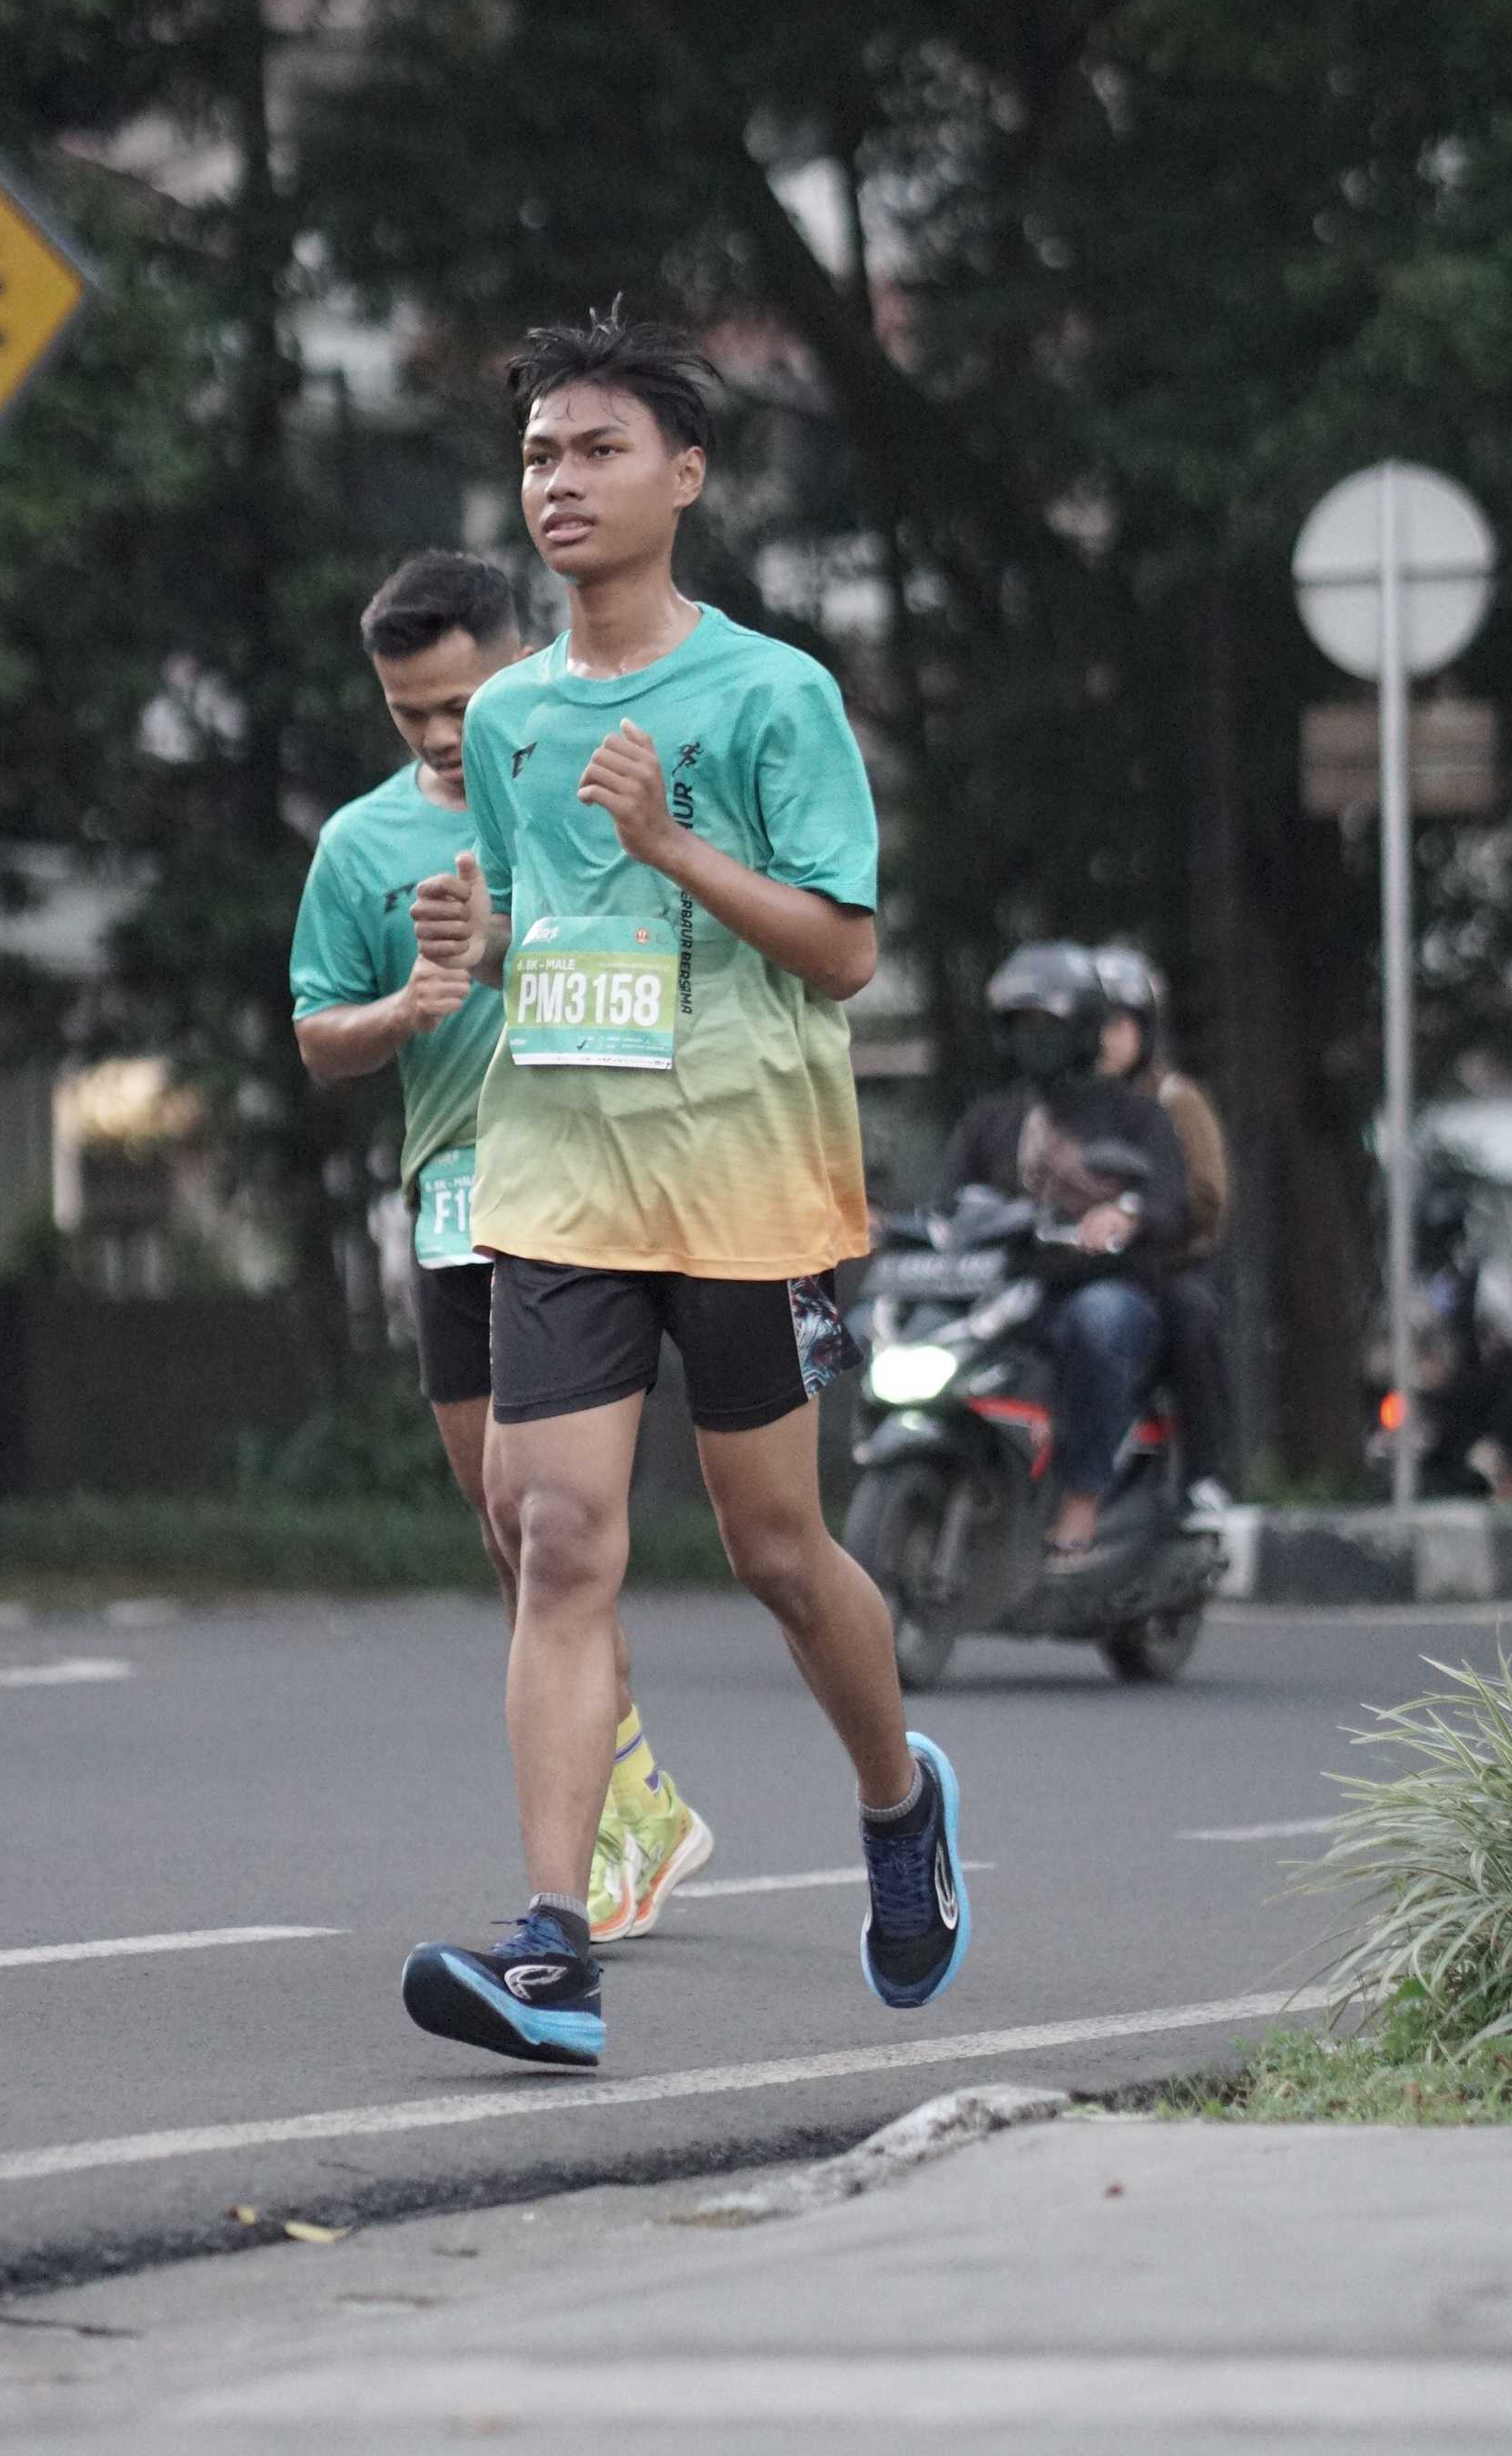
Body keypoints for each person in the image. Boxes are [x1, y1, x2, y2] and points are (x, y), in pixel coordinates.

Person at [401, 308, 967, 2068]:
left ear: (688, 475)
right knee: (558, 1536)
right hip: (559, 1170)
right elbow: (551, 925)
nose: (558, 483)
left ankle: (898, 1800)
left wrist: (668, 840)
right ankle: (553, 1949)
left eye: (598, 450)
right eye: (538, 456)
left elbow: (846, 950)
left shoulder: (773, 695)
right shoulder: (506, 715)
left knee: (775, 1547)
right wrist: (480, 942)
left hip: (742, 1176)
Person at [290, 547, 708, 1946]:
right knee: (510, 1532)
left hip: (596, 1182)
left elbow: (684, 952)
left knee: (561, 1528)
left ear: (520, 662)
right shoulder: (360, 846)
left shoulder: (595, 792)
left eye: (456, 707)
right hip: (457, 1196)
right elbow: (317, 1033)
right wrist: (404, 1010)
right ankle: (640, 1800)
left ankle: (600, 1848)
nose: (432, 734)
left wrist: (519, 943)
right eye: (405, 710)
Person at [938, 942, 1191, 1564]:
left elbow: (1170, 1201)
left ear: (1082, 1029)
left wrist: (1125, 1212)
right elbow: (947, 1205)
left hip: (1100, 1290)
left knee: (1100, 1320)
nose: (1035, 1039)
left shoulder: (1135, 1115)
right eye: (1022, 1025)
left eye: (1047, 1024)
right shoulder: (990, 1119)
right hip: (1005, 1296)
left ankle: (1083, 1496)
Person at [1093, 947, 1235, 1528]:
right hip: (1074, 1266)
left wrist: (1138, 1218)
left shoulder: (1175, 1100)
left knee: (1191, 1314)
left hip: (1159, 1267)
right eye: (1093, 1024)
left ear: (1144, 1030)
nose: (1105, 1039)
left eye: (1118, 1025)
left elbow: (1207, 1198)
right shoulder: (1062, 1103)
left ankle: (1204, 1475)